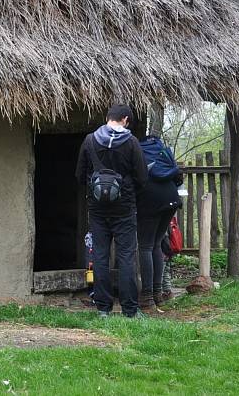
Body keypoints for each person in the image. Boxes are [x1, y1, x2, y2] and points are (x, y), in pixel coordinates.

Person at [76, 104, 147, 318]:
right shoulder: (132, 143)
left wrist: (96, 191)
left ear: (108, 117)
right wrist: (127, 192)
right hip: (124, 208)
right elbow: (142, 177)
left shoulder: (89, 140)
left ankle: (103, 308)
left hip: (97, 209)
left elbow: (80, 175)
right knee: (126, 257)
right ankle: (130, 310)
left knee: (100, 256)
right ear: (125, 119)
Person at [136, 135, 183, 310]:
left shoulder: (137, 151)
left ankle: (147, 297)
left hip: (151, 199)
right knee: (155, 244)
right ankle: (158, 294)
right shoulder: (161, 151)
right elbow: (178, 177)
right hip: (171, 197)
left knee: (146, 246)